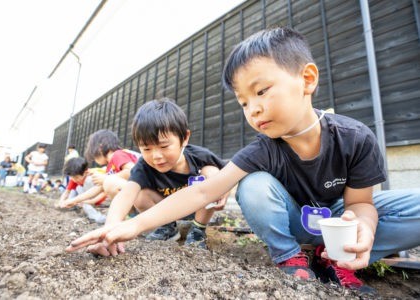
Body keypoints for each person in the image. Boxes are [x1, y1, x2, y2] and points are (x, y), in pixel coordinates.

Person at [67, 27, 420, 293]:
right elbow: (203, 192)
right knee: (252, 185)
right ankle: (291, 256)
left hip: (337, 225)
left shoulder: (355, 137)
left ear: (307, 79)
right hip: (297, 225)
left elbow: (361, 204)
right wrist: (128, 226)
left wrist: (363, 227)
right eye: (243, 102)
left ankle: (339, 258)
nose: (253, 109)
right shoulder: (263, 148)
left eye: (261, 91)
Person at [70, 99, 228, 256]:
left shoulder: (199, 156)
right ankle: (167, 227)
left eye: (164, 146)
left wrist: (223, 189)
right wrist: (109, 229)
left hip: (197, 207)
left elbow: (230, 173)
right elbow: (126, 194)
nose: (156, 156)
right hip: (165, 210)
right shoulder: (144, 166)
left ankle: (198, 231)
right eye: (146, 148)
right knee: (138, 193)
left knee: (212, 172)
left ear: (184, 138)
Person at [84, 129, 138, 202]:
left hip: (143, 192)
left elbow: (133, 171)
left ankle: (131, 213)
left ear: (100, 148)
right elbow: (99, 188)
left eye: (94, 157)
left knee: (109, 183)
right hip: (136, 193)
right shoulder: (110, 166)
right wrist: (75, 200)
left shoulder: (117, 155)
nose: (95, 160)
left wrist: (107, 178)